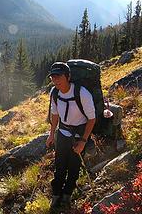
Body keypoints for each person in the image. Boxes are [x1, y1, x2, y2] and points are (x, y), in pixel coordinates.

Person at [46, 62, 96, 210]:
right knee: (59, 165)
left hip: (78, 136)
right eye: (53, 77)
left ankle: (67, 195)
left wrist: (83, 141)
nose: (55, 80)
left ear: (68, 76)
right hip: (62, 133)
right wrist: (51, 134)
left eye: (59, 76)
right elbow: (54, 114)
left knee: (74, 166)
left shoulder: (82, 93)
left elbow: (92, 119)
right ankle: (56, 195)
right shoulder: (54, 93)